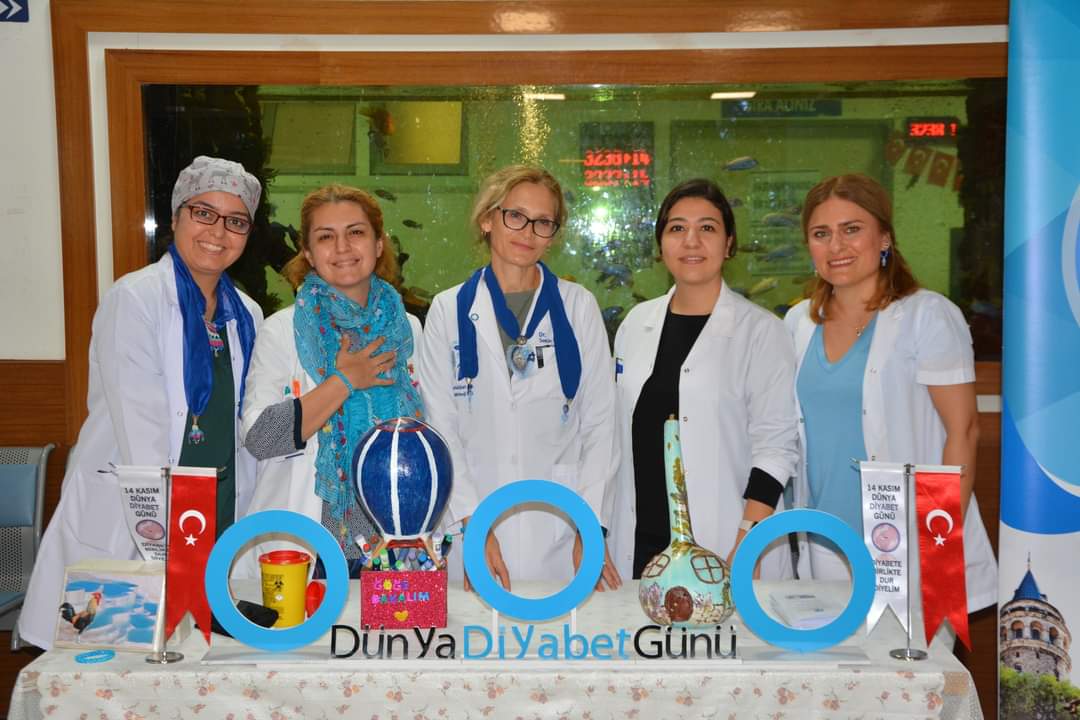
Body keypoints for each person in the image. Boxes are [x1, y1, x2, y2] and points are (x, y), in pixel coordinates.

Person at [19, 156, 263, 649]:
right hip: (141, 511)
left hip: (214, 510)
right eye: (203, 213)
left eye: (236, 221)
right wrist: (172, 543)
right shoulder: (135, 298)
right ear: (175, 217)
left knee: (198, 664)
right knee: (115, 662)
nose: (218, 232)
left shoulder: (247, 314)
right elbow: (143, 434)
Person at [784, 173, 996, 618]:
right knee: (832, 663)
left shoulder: (927, 315)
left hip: (908, 544)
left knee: (909, 660)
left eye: (852, 229)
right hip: (824, 541)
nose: (837, 246)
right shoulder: (798, 322)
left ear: (884, 237)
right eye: (821, 234)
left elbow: (963, 432)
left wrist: (935, 542)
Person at [418, 165, 621, 591]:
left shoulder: (578, 307)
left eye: (543, 222)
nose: (528, 231)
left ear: (553, 234)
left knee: (562, 630)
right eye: (515, 216)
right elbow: (441, 428)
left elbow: (601, 425)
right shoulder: (448, 310)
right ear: (487, 219)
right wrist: (475, 527)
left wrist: (589, 527)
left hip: (561, 531)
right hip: (471, 524)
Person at [608, 179, 800, 581]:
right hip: (640, 541)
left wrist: (747, 540)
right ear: (661, 244)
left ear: (729, 244)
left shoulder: (761, 331)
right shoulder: (636, 324)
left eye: (707, 228)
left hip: (729, 542)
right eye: (677, 228)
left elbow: (776, 447)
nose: (691, 241)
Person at [240, 184, 423, 578]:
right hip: (309, 545)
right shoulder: (282, 330)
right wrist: (345, 381)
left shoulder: (408, 330)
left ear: (378, 244)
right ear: (308, 252)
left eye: (356, 232)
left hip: (394, 541)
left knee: (393, 622)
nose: (342, 247)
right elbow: (260, 438)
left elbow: (426, 434)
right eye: (325, 237)